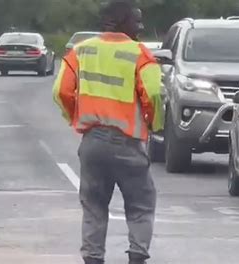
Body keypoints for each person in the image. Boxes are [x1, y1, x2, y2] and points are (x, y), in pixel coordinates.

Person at [52, 1, 164, 263]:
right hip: (128, 143)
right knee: (140, 206)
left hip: (93, 142)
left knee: (94, 208)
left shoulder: (80, 52)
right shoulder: (140, 54)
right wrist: (154, 123)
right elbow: (155, 94)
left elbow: (60, 91)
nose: (141, 27)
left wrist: (75, 117)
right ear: (119, 21)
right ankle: (136, 258)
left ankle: (93, 259)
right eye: (136, 21)